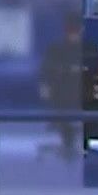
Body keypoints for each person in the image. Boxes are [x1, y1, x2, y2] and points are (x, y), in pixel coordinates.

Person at [38, 16, 87, 159]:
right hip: (61, 93)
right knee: (64, 113)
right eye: (72, 32)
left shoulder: (86, 50)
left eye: (77, 32)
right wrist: (45, 86)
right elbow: (46, 70)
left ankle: (77, 141)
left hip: (82, 92)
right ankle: (68, 141)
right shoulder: (56, 50)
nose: (74, 35)